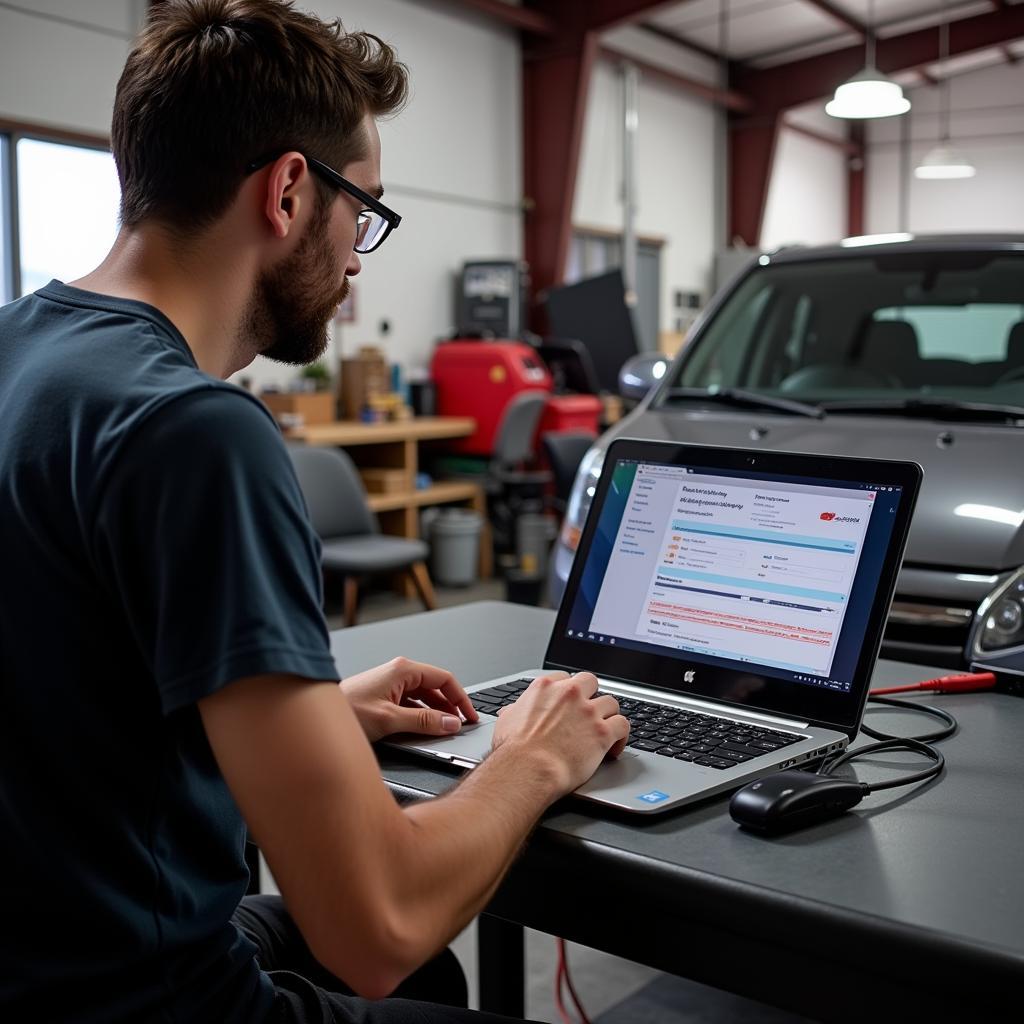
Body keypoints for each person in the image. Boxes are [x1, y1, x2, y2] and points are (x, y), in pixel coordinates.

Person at [0, 2, 630, 1022]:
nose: (357, 257)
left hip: (43, 943)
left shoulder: (21, 354)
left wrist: (314, 717)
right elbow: (375, 924)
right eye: (364, 211)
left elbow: (60, 699)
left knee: (434, 980)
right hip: (138, 995)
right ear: (290, 190)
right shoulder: (195, 431)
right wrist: (533, 755)